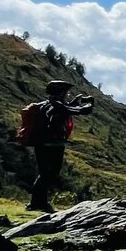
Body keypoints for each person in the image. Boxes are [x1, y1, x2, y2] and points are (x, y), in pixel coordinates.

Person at [22, 80, 94, 212]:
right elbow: (80, 111)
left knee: (44, 173)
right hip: (52, 145)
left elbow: (65, 110)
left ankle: (36, 202)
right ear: (60, 93)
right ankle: (38, 203)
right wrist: (90, 103)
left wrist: (73, 103)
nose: (67, 95)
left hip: (42, 144)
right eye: (66, 93)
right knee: (49, 173)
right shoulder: (56, 105)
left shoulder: (46, 104)